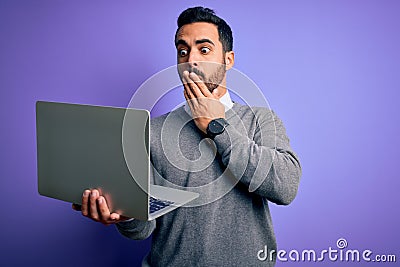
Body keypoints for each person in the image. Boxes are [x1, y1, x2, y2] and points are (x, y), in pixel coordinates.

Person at [73, 6, 301, 266]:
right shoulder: (153, 131)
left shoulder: (260, 119)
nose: (191, 59)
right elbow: (142, 229)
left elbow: (286, 187)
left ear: (228, 59)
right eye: (183, 51)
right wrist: (124, 215)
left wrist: (217, 125)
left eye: (204, 50)